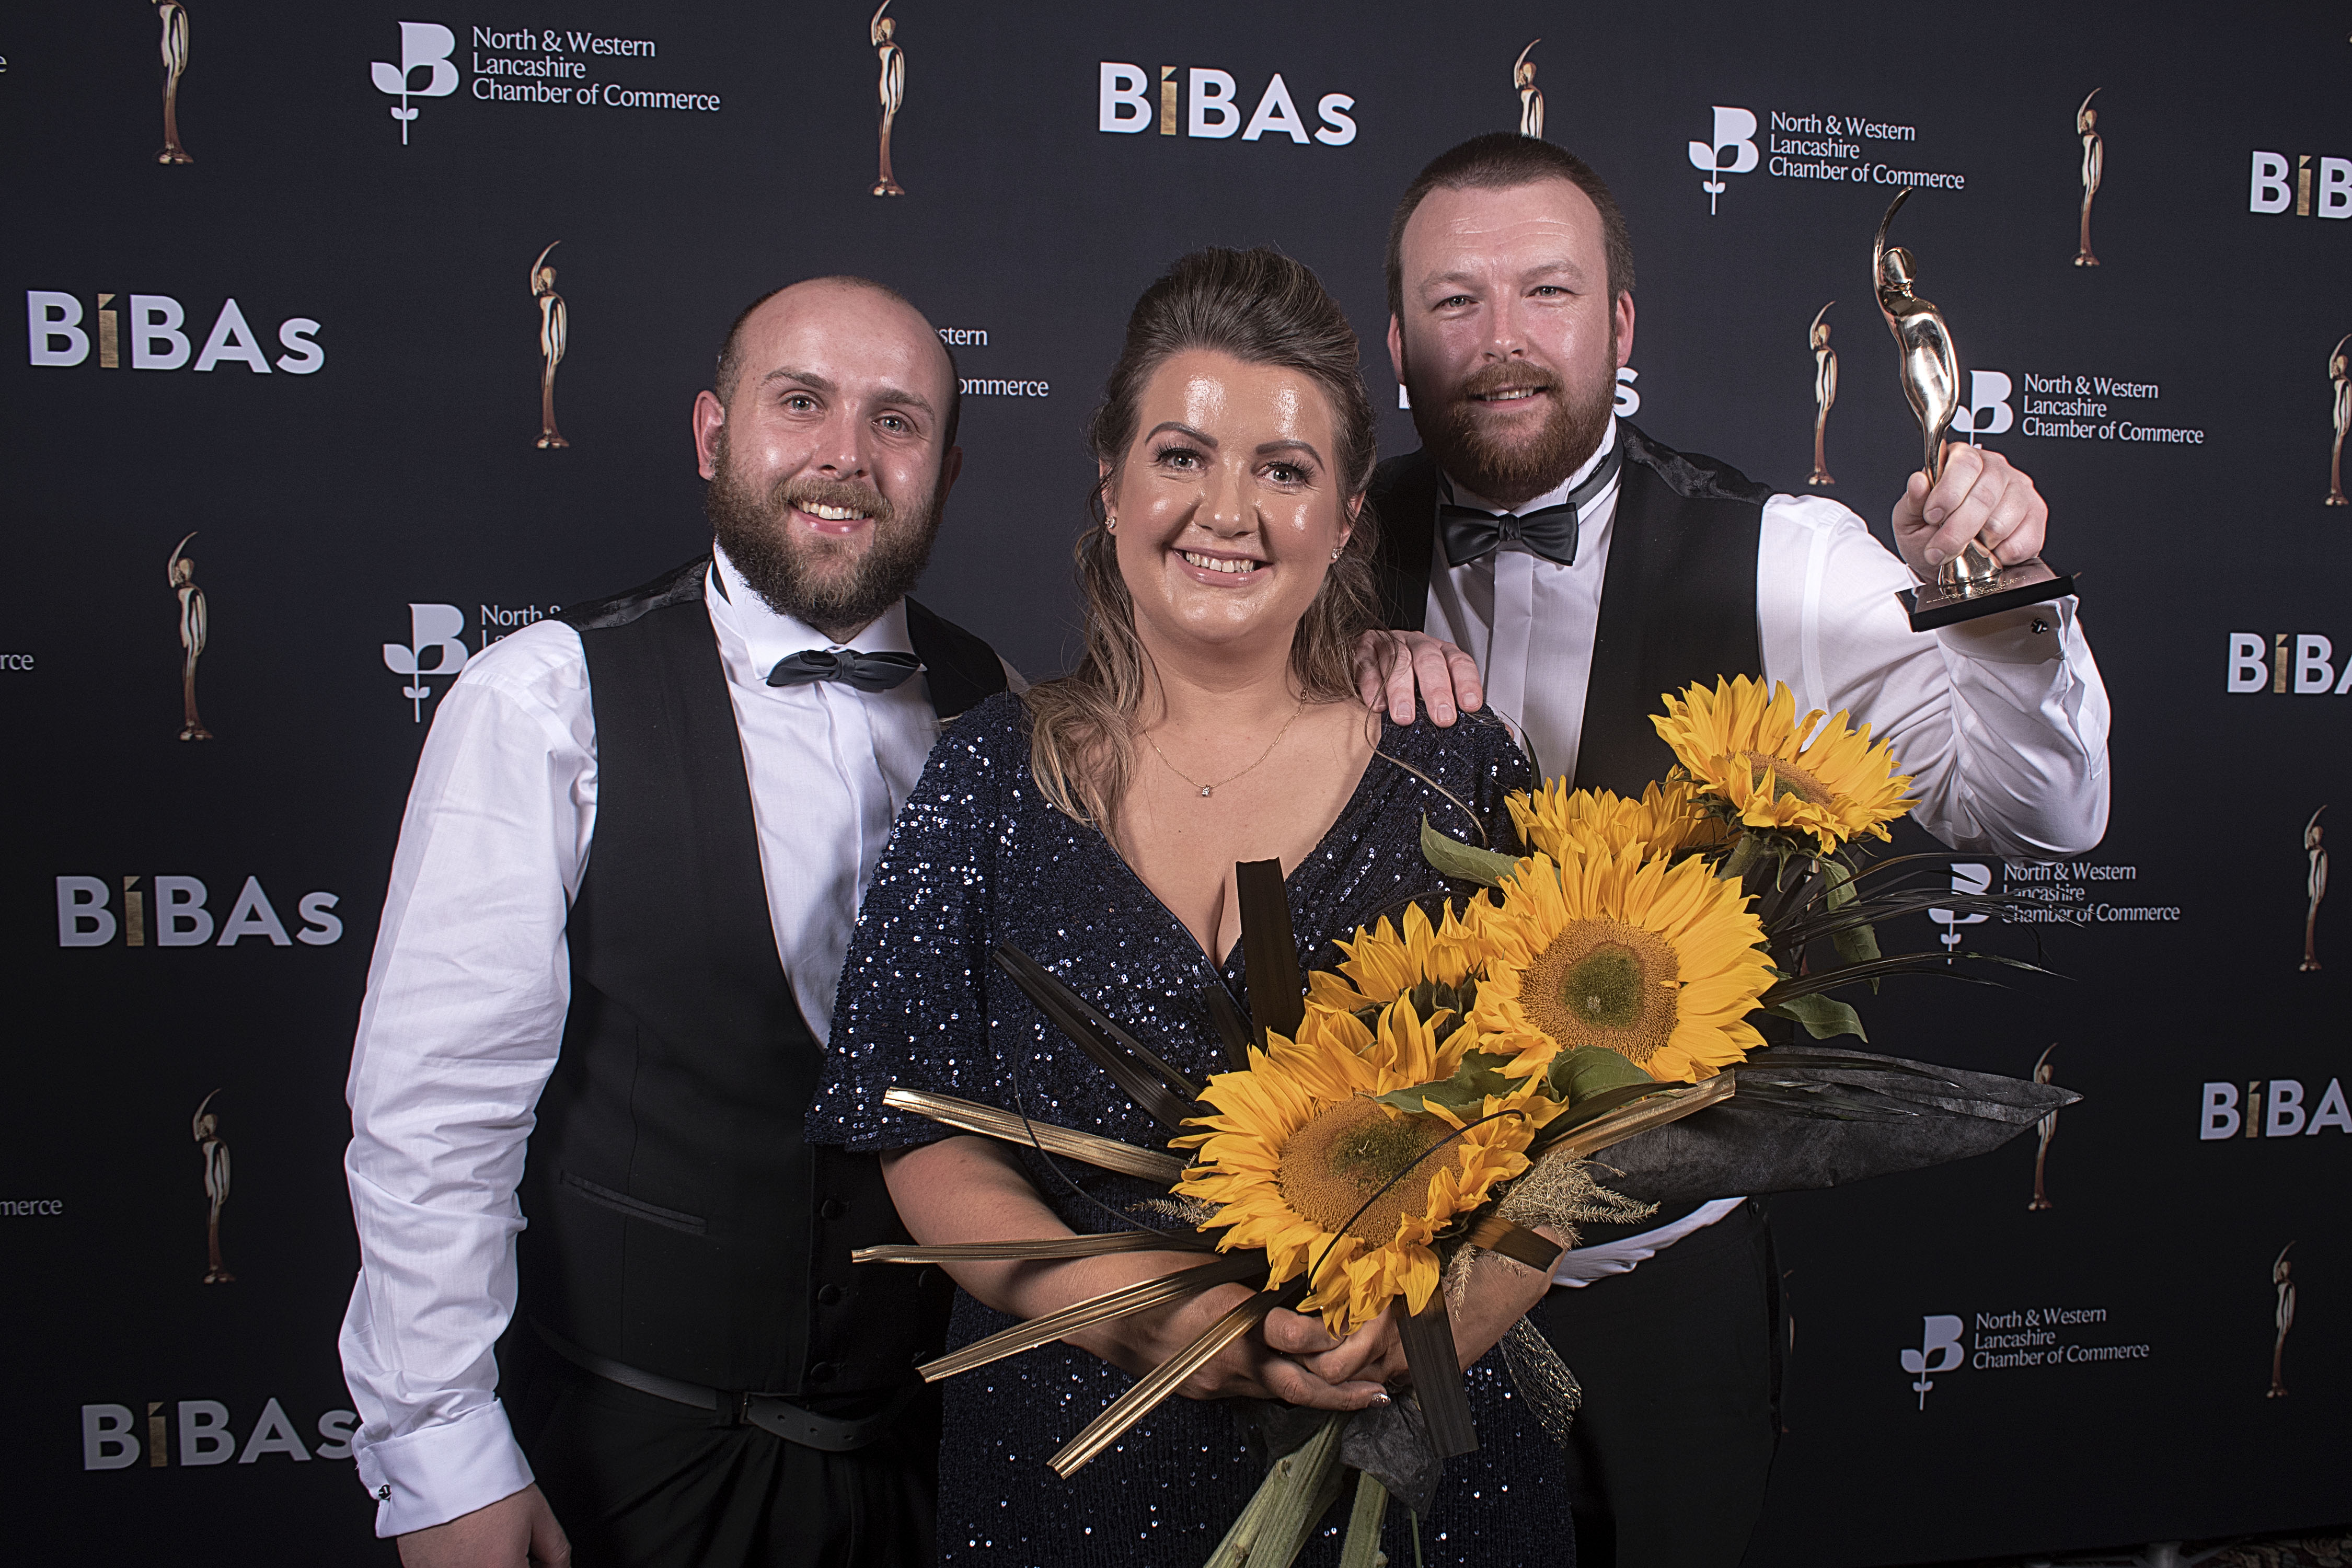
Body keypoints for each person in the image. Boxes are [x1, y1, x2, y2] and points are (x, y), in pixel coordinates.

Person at [1362, 133, 2112, 1568]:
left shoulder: (1788, 556)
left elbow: (2035, 814)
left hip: (1662, 1290)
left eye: (1546, 291)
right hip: (1387, 1292)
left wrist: (2005, 601)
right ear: (1397, 343)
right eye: (1454, 300)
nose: (1501, 337)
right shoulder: (1308, 545)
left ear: (1621, 327)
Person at [807, 248, 1569, 1566]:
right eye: (1181, 456)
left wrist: (1443, 1322)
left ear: (1345, 518)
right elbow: (921, 1132)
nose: (1229, 511)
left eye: (1284, 471)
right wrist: (1152, 1321)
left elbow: (1577, 1136)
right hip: (1073, 1460)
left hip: (1414, 1468)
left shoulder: (1456, 768)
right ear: (1111, 483)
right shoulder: (987, 775)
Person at [338, 275, 1017, 1568]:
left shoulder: (1002, 706)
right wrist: (442, 1460)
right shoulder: (542, 701)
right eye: (801, 403)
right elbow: (435, 1119)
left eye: (896, 421)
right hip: (631, 1470)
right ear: (713, 435)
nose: (846, 455)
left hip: (932, 1467)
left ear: (945, 468)